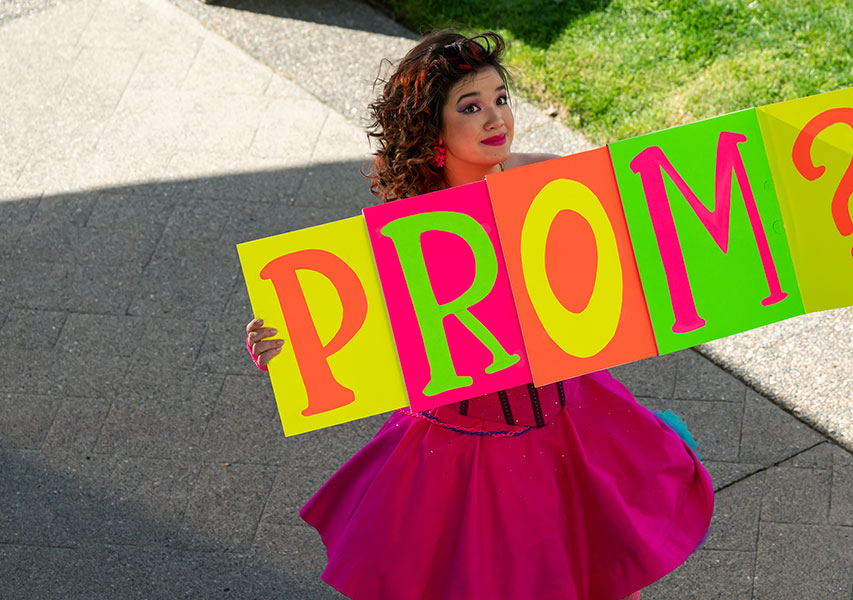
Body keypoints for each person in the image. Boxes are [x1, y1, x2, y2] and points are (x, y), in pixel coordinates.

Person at [245, 31, 713, 600]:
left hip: (569, 422)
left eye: (501, 98)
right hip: (461, 453)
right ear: (431, 130)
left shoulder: (544, 185)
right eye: (471, 107)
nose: (497, 118)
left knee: (602, 576)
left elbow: (630, 236)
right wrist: (288, 346)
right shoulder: (403, 237)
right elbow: (354, 339)